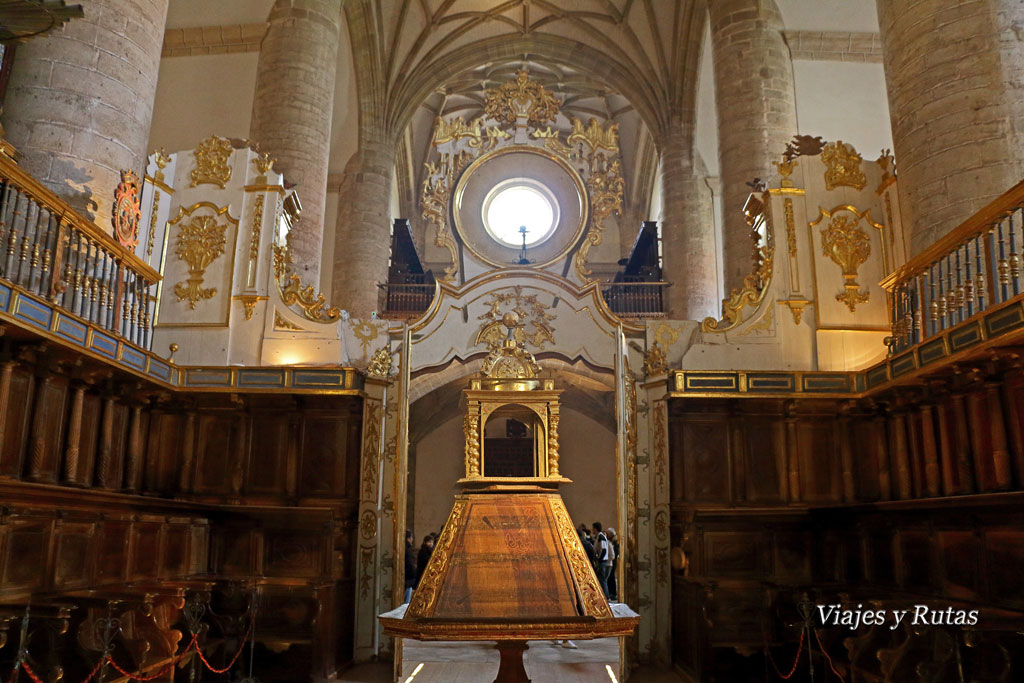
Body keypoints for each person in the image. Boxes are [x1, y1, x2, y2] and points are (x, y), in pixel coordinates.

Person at [593, 521, 614, 598]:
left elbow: (603, 549)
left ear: (595, 529)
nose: (592, 530)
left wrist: (599, 559)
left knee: (603, 580)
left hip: (602, 562)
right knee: (602, 580)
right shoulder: (599, 536)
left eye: (593, 529)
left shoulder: (601, 536)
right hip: (602, 561)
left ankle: (606, 597)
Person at [403, 529, 416, 603]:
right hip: (408, 578)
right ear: (408, 538)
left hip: (407, 578)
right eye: (412, 538)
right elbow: (410, 564)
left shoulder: (405, 547)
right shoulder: (407, 549)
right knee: (406, 602)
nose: (412, 540)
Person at [606, 527, 619, 601]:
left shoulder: (614, 542)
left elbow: (615, 552)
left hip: (612, 561)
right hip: (612, 561)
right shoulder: (612, 541)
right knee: (610, 577)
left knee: (611, 577)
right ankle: (611, 593)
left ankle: (613, 593)